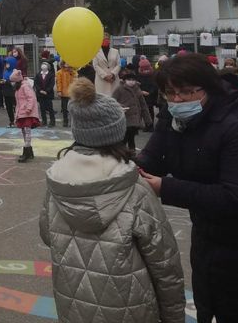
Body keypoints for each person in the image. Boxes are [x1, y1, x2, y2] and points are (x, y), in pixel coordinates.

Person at [40, 77, 185, 322]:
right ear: (116, 132)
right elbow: (164, 263)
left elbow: (47, 234)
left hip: (74, 303)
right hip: (131, 307)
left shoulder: (57, 182)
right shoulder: (135, 189)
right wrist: (174, 316)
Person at [137, 53, 238, 322]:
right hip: (206, 236)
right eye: (170, 93)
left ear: (208, 88)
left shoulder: (236, 125)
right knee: (205, 304)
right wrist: (121, 165)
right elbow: (153, 158)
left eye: (186, 92)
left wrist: (166, 188)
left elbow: (234, 196)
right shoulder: (173, 117)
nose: (177, 100)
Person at [113, 70, 152, 153]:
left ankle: (130, 152)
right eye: (129, 80)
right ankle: (124, 151)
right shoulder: (119, 89)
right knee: (126, 137)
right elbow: (112, 101)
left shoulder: (138, 90)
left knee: (131, 136)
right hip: (124, 117)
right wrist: (120, 106)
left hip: (135, 118)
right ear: (125, 80)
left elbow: (143, 105)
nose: (131, 81)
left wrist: (147, 119)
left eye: (133, 80)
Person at [10, 69, 40, 163]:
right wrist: (17, 114)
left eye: (13, 81)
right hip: (21, 112)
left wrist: (28, 108)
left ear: (17, 80)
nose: (12, 83)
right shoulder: (18, 88)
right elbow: (18, 102)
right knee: (24, 131)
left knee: (27, 132)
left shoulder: (25, 86)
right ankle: (29, 151)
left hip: (27, 113)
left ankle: (26, 152)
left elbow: (31, 98)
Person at [136, 59, 158, 130]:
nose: (146, 71)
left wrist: (150, 92)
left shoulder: (153, 75)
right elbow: (137, 85)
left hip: (151, 95)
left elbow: (155, 85)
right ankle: (146, 125)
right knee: (144, 110)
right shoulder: (139, 75)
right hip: (142, 95)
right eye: (144, 69)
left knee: (150, 110)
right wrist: (141, 91)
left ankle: (150, 125)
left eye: (147, 68)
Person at [33, 60, 56, 127]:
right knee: (42, 108)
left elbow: (51, 84)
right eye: (43, 64)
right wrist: (40, 90)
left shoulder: (51, 75)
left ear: (48, 67)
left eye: (45, 64)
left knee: (50, 108)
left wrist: (46, 91)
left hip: (48, 94)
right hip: (40, 94)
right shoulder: (38, 74)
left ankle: (52, 121)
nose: (43, 66)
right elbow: (36, 83)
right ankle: (44, 121)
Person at [55, 62, 76, 127]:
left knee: (73, 108)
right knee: (64, 108)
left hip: (72, 93)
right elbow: (59, 82)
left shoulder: (73, 72)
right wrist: (59, 91)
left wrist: (71, 72)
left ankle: (73, 122)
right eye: (65, 63)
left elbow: (76, 80)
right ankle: (65, 121)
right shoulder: (59, 72)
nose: (67, 65)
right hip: (64, 93)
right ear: (63, 64)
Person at [0, 55, 18, 126]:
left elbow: (15, 83)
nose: (6, 64)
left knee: (16, 107)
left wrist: (6, 82)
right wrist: (1, 82)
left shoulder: (15, 72)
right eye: (6, 63)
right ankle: (11, 121)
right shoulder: (5, 71)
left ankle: (18, 120)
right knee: (9, 108)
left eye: (8, 63)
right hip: (6, 93)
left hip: (14, 93)